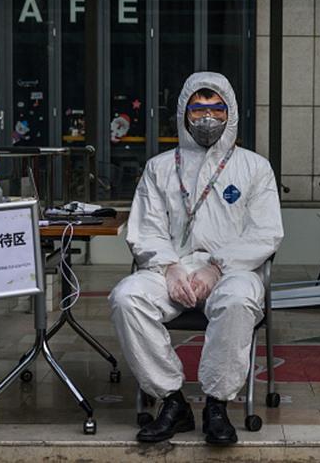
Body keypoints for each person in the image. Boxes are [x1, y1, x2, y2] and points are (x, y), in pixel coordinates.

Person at [109, 72, 283, 445]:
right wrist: (169, 267)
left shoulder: (254, 167)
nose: (207, 117)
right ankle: (173, 401)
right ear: (183, 113)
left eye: (217, 108)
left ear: (230, 113)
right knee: (126, 298)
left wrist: (217, 267)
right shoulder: (159, 167)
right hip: (170, 269)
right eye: (198, 108)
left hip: (233, 270)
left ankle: (217, 405)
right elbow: (146, 228)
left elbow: (265, 232)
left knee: (238, 300)